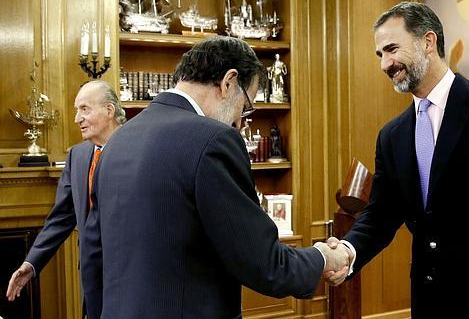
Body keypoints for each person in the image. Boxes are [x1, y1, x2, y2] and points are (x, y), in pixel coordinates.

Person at [324, 2, 469, 319]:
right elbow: (381, 213)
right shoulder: (391, 136)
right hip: (431, 303)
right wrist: (349, 253)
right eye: (380, 55)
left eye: (392, 49)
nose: (385, 64)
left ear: (428, 42)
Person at [88, 36, 350, 318]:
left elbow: (94, 255)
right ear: (229, 82)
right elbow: (262, 262)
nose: (240, 121)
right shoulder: (213, 139)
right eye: (246, 106)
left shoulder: (116, 141)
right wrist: (323, 256)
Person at [5, 80, 125, 319]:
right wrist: (32, 263)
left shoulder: (139, 149)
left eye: (84, 109)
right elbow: (61, 217)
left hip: (130, 272)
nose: (76, 119)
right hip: (92, 275)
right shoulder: (77, 156)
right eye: (76, 110)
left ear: (109, 111)